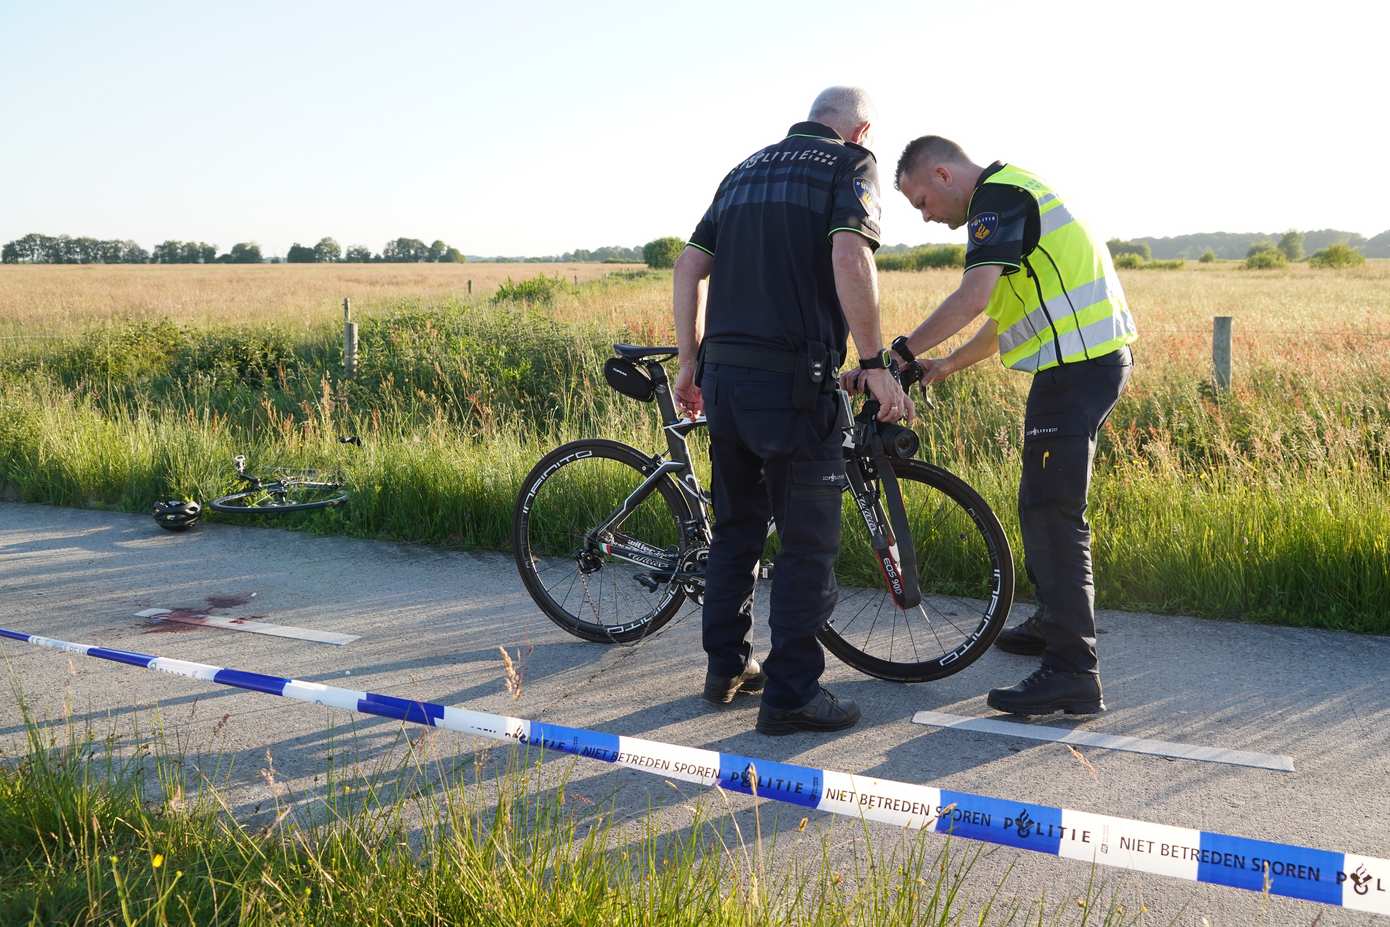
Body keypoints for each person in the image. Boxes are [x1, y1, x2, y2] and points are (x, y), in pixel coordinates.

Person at [670, 86, 911, 736]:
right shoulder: (849, 167)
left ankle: (726, 668)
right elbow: (849, 253)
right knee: (807, 543)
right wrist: (873, 360)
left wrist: (688, 362)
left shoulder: (743, 171)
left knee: (737, 527)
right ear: (859, 131)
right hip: (794, 385)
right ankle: (792, 694)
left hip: (723, 381)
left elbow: (689, 266)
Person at [874, 135, 1137, 716]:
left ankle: (1073, 670)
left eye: (921, 201)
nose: (925, 216)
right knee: (1042, 504)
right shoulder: (1015, 195)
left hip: (1075, 369)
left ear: (942, 174)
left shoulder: (998, 198)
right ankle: (1051, 622)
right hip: (1082, 365)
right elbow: (1001, 317)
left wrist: (896, 355)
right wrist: (943, 363)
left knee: (1052, 512)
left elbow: (971, 298)